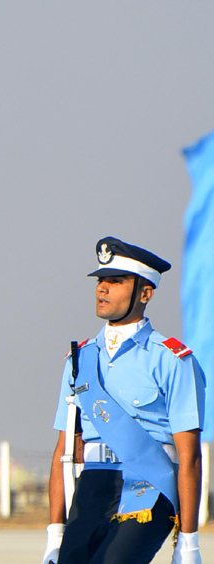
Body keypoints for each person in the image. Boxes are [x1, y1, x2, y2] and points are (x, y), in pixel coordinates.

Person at [43, 238, 206, 564]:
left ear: (145, 293)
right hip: (92, 486)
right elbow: (63, 449)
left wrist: (188, 542)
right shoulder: (80, 359)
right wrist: (55, 532)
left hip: (149, 488)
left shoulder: (173, 359)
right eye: (101, 280)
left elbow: (189, 456)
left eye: (115, 281)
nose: (102, 289)